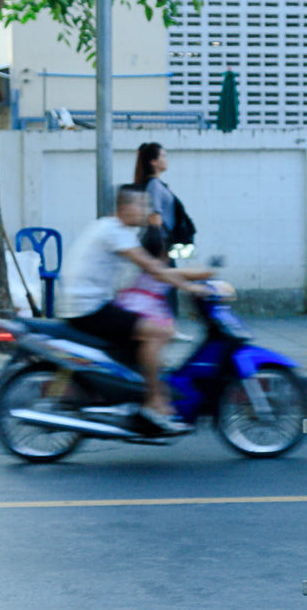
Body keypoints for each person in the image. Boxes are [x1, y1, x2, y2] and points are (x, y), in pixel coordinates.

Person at [56, 184, 205, 433]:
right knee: (159, 332)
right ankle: (153, 403)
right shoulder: (116, 233)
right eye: (142, 205)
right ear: (125, 208)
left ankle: (132, 393)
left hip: (89, 305)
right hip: (89, 310)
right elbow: (153, 269)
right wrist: (192, 289)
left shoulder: (110, 228)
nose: (146, 211)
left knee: (142, 329)